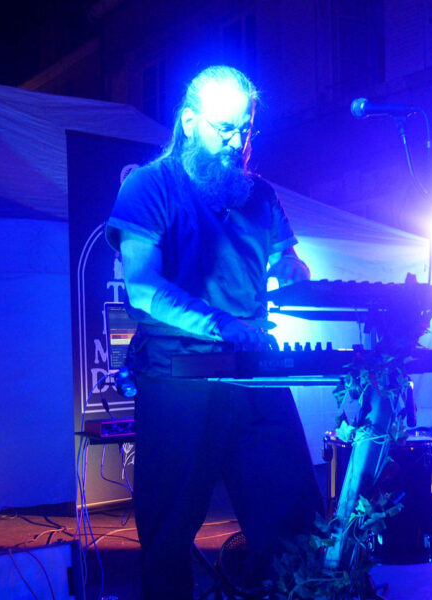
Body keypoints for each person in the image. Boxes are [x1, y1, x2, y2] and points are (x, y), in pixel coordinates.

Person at [106, 65, 323, 599]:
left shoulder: (259, 194)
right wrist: (222, 325)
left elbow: (286, 262)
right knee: (167, 538)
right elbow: (143, 287)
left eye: (245, 130)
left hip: (254, 374)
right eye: (224, 129)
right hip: (177, 377)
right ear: (189, 122)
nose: (236, 142)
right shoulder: (149, 185)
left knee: (295, 525)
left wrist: (295, 272)